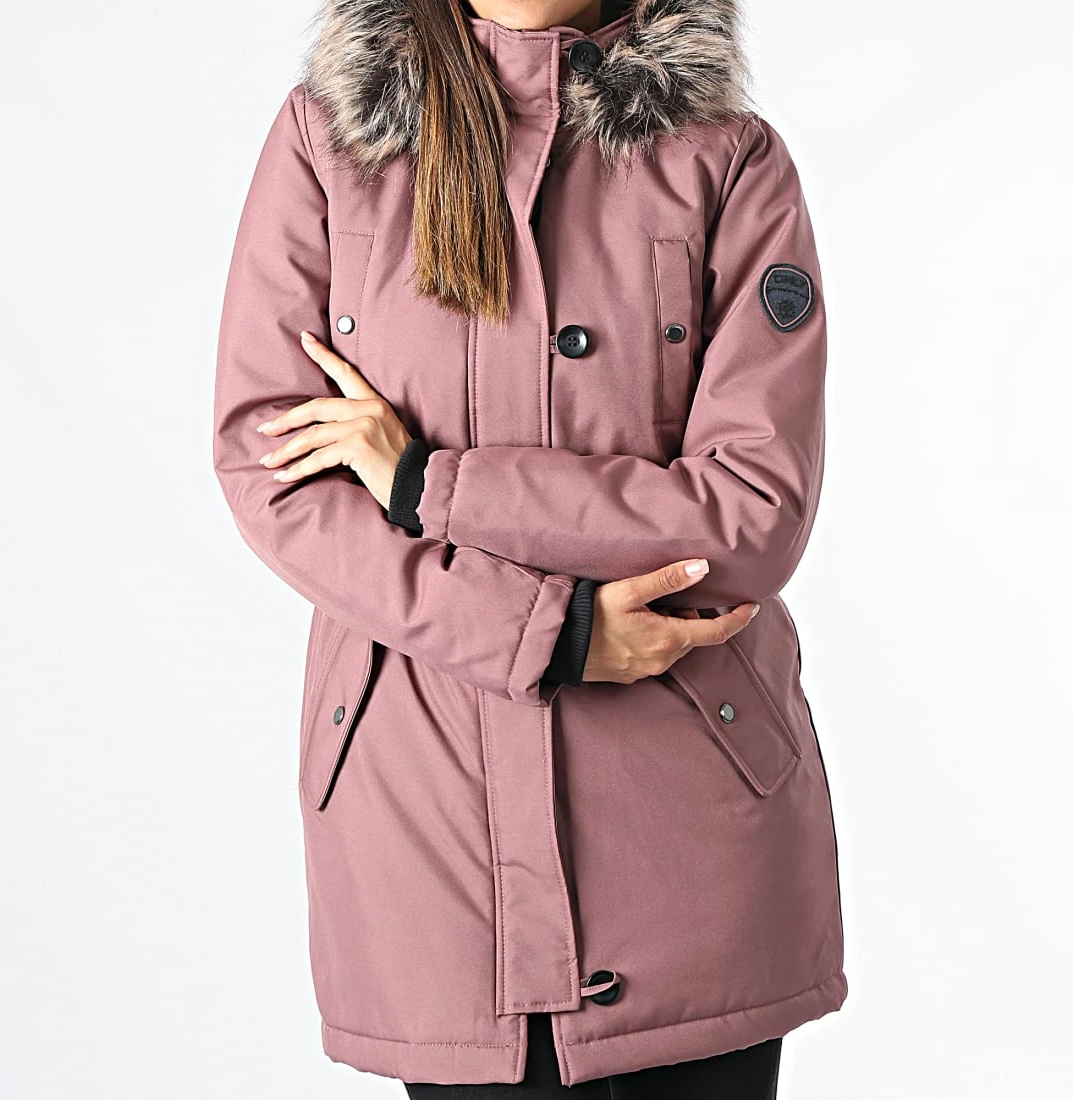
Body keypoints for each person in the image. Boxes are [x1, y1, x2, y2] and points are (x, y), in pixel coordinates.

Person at [212, 0, 847, 1096]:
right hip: (426, 819)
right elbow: (275, 471)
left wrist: (427, 482)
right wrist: (546, 633)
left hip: (688, 828)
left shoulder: (725, 157)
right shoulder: (332, 140)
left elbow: (751, 514)